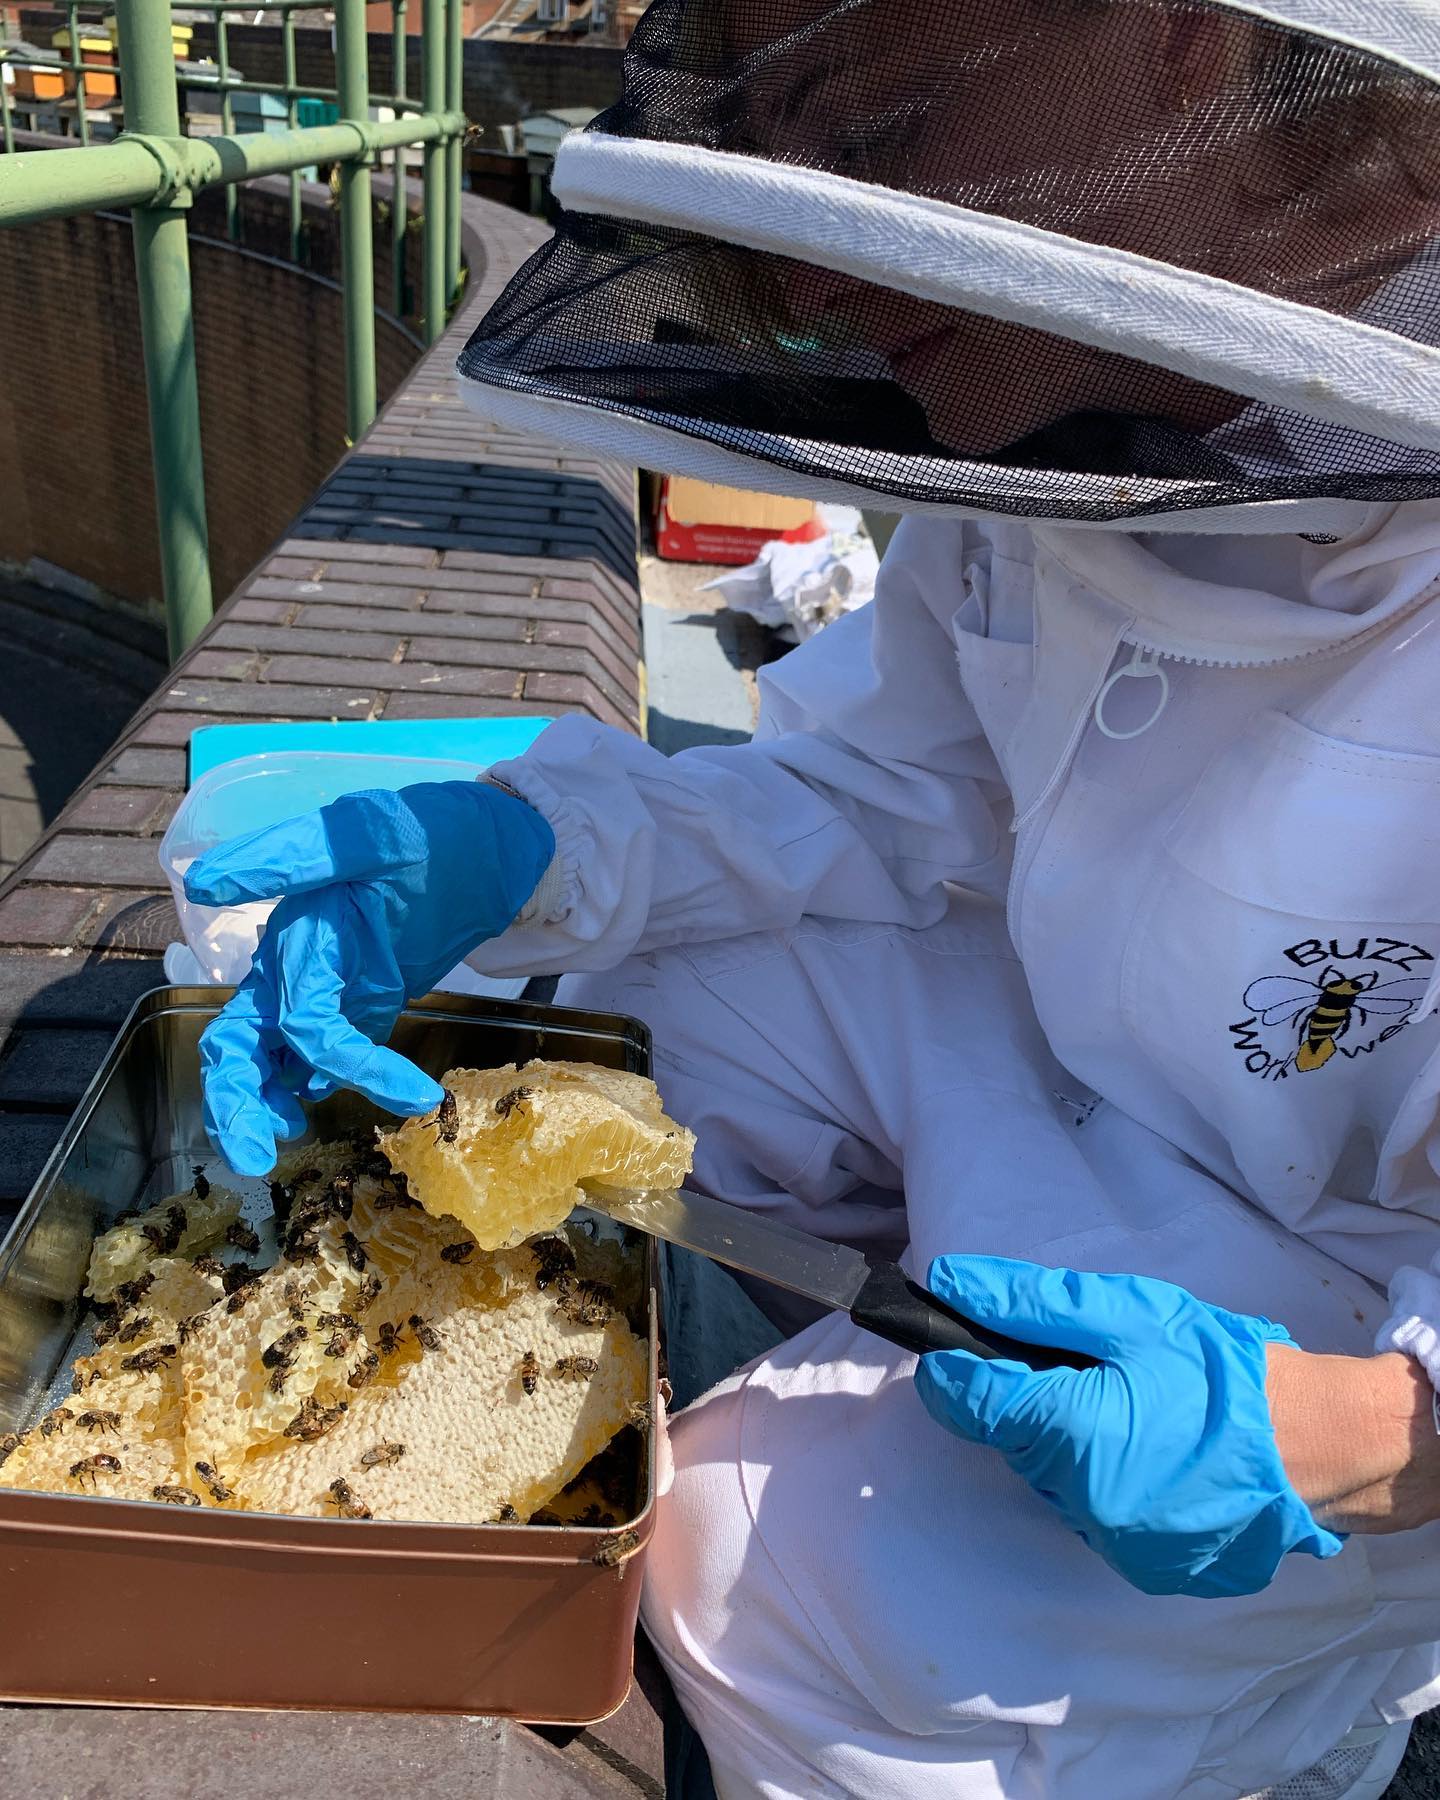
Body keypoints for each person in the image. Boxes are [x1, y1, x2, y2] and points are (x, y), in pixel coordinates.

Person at [184, 2, 1440, 1793]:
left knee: (777, 1593)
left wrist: (1370, 1433)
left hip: (1359, 1290)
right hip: (1097, 1054)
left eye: (873, 132)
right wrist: (528, 846)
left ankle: (1288, 1719)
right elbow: (885, 789)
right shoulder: (1097, 395)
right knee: (610, 1026)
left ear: (1181, 38)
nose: (803, 272)